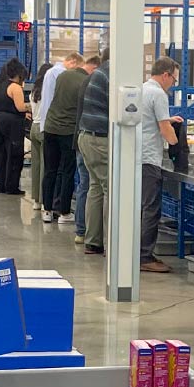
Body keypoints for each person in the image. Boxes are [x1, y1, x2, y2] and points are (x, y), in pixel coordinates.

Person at [139, 56, 184, 273]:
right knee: (151, 209)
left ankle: (134, 252)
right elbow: (166, 132)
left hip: (136, 156)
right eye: (173, 80)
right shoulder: (158, 94)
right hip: (148, 158)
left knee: (138, 208)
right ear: (165, 75)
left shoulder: (142, 89)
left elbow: (150, 121)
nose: (172, 84)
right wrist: (178, 143)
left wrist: (168, 120)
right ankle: (144, 257)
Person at [40, 52, 86, 225]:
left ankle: (47, 210)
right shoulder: (83, 81)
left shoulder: (60, 75)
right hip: (67, 131)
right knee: (67, 172)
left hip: (50, 127)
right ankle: (64, 212)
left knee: (50, 170)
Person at [77, 49, 111, 252]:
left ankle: (92, 240)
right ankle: (110, 244)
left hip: (85, 137)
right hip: (100, 139)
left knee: (95, 188)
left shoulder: (97, 74)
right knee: (110, 190)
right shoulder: (111, 75)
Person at [73, 54, 102, 248]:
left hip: (81, 137)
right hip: (95, 140)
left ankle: (82, 232)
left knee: (89, 186)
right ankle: (97, 237)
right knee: (97, 188)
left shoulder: (86, 83)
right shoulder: (97, 81)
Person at [0, 58, 30, 196]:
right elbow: (20, 107)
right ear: (19, 74)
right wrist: (30, 107)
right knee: (14, 153)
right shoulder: (15, 87)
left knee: (0, 153)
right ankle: (12, 186)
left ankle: (0, 183)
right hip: (11, 123)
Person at [27, 62, 54, 211]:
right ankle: (45, 200)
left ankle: (36, 200)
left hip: (33, 128)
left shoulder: (33, 91)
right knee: (46, 165)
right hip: (44, 129)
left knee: (36, 165)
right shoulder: (47, 91)